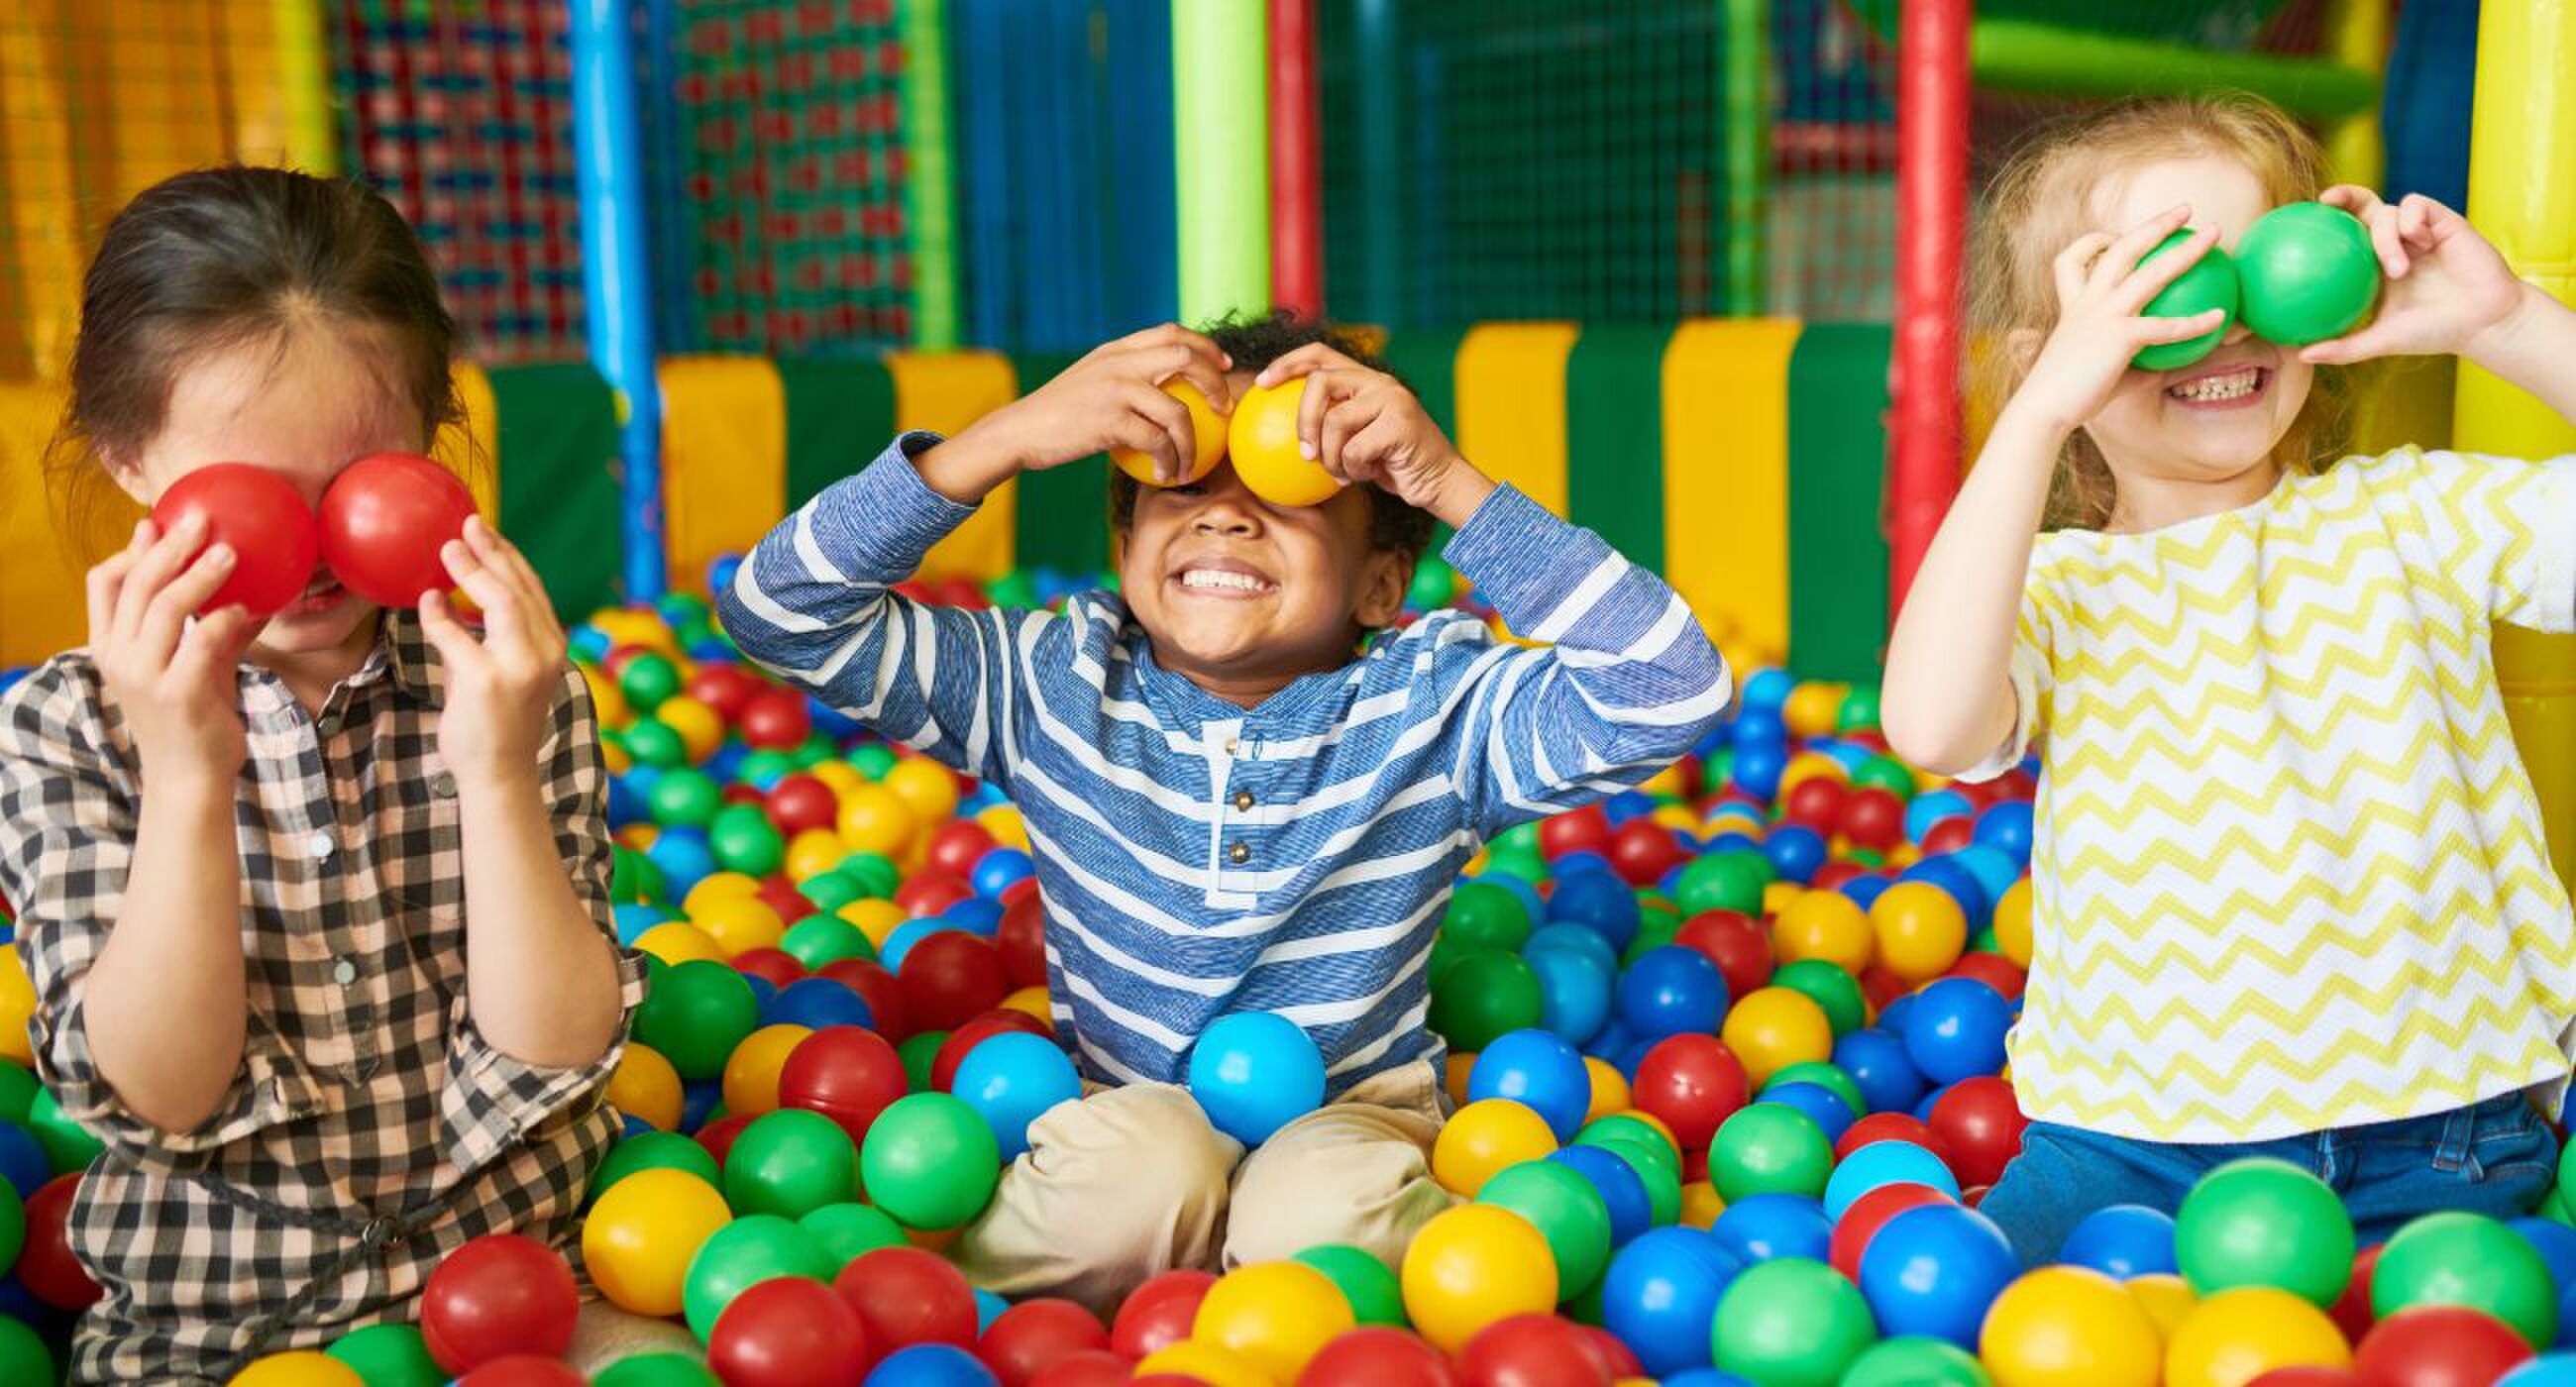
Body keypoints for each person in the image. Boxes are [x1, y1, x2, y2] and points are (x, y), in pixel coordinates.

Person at [716, 312, 1731, 1312]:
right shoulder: (1047, 683)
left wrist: (1443, 482)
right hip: (1122, 1109)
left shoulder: (1434, 705)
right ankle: (982, 1310)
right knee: (1135, 1183)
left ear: (1381, 581)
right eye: (1182, 485)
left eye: (1284, 491)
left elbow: (1673, 687)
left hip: (1345, 1112)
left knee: (1316, 1222)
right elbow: (774, 610)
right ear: (1124, 550)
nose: (1224, 514)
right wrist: (1000, 440)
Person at [0, 166, 683, 1382]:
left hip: (524, 1291)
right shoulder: (68, 723)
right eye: (252, 494)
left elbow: (556, 1046)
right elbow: (160, 1091)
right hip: (216, 1335)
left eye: (364, 483)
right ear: (127, 456)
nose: (315, 548)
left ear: (430, 441)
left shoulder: (507, 679)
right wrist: (189, 773)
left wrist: (498, 770)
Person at [1882, 93, 2576, 1265]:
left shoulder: (2407, 516)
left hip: (2437, 1126)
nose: (2214, 326)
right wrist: (2039, 408)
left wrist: (2503, 324)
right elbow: (1931, 724)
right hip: (2128, 1150)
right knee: (1972, 1315)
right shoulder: (2052, 589)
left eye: (2245, 275)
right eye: (2153, 293)